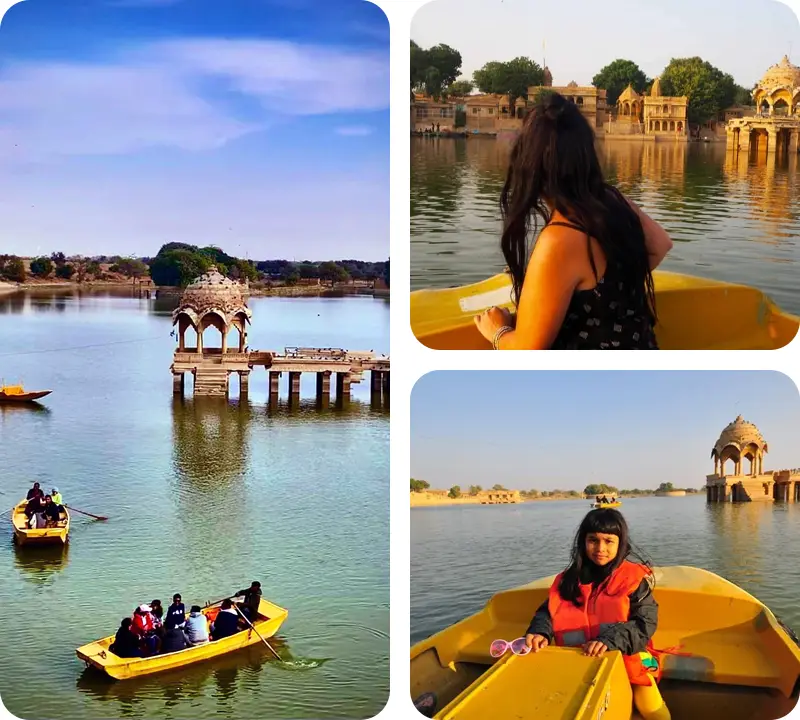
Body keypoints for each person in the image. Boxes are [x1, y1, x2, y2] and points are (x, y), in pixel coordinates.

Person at [473, 91, 673, 350]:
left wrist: (497, 330)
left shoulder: (559, 239)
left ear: (529, 163)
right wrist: (609, 292)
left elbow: (526, 349)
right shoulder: (612, 198)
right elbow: (660, 244)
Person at [524, 508, 671, 720]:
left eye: (608, 541)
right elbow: (548, 611)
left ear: (620, 543)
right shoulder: (568, 580)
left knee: (652, 708)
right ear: (583, 542)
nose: (600, 548)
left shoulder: (633, 580)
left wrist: (610, 640)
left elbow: (645, 622)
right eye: (593, 540)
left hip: (626, 657)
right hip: (578, 662)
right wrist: (540, 632)